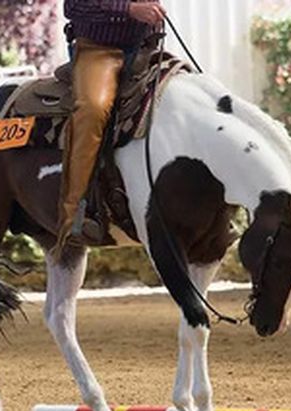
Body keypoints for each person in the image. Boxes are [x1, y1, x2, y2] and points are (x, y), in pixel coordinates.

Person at [55, 0, 166, 254]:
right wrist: (129, 9)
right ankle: (73, 214)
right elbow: (74, 7)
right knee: (92, 109)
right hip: (98, 50)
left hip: (146, 47)